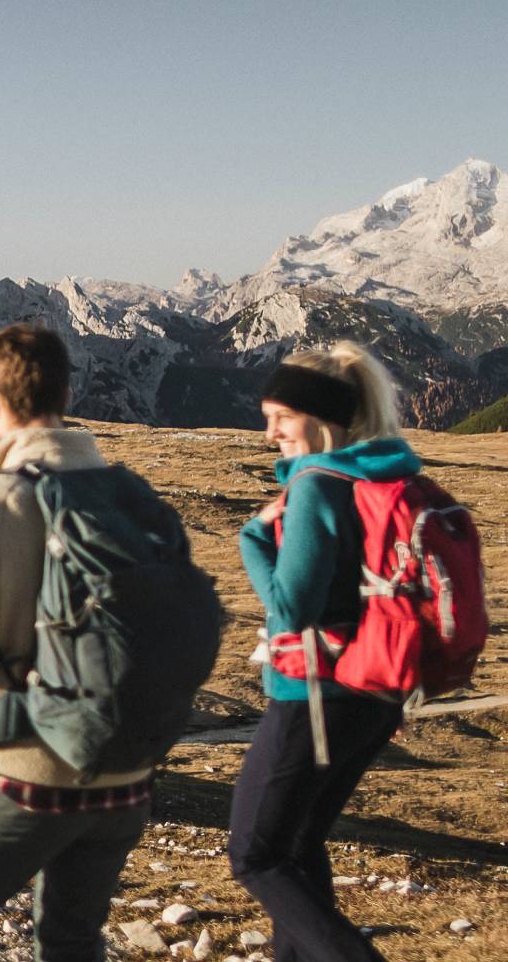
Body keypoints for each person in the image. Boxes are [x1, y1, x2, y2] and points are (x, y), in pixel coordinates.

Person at [0, 324, 158, 962]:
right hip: (126, 771)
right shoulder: (131, 496)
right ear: (67, 392)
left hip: (26, 768)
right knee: (72, 939)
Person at [229, 343, 415, 962]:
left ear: (322, 418)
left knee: (255, 854)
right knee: (298, 846)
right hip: (374, 693)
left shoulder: (316, 486)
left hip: (315, 694)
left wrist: (253, 537)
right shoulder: (379, 475)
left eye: (282, 416)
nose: (271, 433)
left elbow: (290, 610)